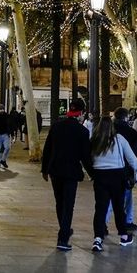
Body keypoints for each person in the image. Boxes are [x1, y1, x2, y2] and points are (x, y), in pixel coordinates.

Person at [42, 98, 92, 251]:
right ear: (81, 113)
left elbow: (47, 148)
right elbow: (85, 156)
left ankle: (64, 229)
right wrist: (92, 173)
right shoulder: (82, 131)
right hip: (71, 172)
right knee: (68, 205)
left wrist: (44, 169)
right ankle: (63, 238)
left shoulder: (56, 126)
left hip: (55, 170)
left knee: (60, 202)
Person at [89, 116, 137, 251]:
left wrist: (92, 172)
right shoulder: (119, 139)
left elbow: (88, 158)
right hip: (117, 176)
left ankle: (98, 238)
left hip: (100, 176)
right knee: (119, 207)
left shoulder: (94, 141)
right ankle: (124, 236)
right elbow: (131, 158)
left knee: (100, 209)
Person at [112, 108, 137, 231]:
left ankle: (104, 223)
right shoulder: (131, 132)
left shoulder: (109, 131)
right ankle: (127, 221)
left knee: (108, 199)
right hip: (126, 169)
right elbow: (135, 153)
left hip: (111, 168)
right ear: (126, 117)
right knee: (127, 196)